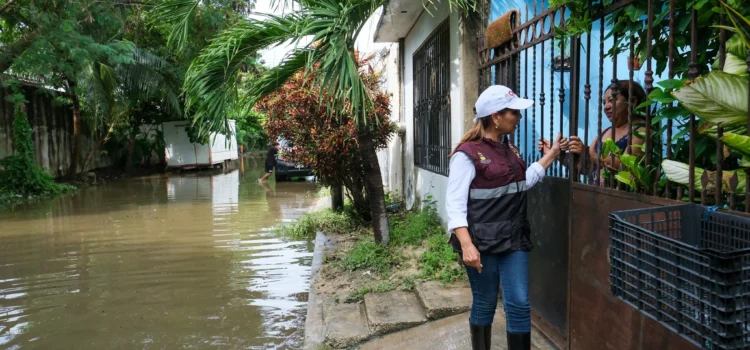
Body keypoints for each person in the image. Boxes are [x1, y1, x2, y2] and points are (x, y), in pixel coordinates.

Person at [446, 85, 565, 350]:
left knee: (519, 304)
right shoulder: (468, 154)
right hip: (481, 242)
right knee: (486, 301)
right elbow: (454, 206)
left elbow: (523, 182)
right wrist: (467, 245)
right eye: (515, 112)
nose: (519, 118)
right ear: (496, 116)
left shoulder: (510, 150)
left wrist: (553, 153)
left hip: (514, 239)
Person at [539, 80, 647, 184]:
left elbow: (622, 167)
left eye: (612, 100)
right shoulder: (605, 132)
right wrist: (555, 153)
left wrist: (588, 153)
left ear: (632, 101)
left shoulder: (641, 132)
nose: (606, 107)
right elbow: (587, 168)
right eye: (604, 102)